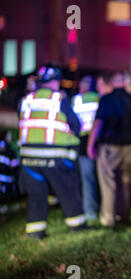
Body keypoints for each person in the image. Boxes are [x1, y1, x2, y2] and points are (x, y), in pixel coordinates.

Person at [17, 63, 88, 240]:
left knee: (36, 196)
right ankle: (77, 226)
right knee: (67, 191)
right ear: (56, 82)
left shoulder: (26, 100)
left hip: (29, 159)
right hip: (54, 157)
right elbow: (76, 126)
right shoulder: (59, 99)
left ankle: (35, 231)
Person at [87, 71, 131, 227]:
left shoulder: (107, 99)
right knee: (125, 182)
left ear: (112, 83)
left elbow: (98, 124)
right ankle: (124, 216)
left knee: (108, 183)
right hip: (129, 147)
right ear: (125, 83)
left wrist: (90, 144)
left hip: (109, 147)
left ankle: (108, 219)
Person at [72, 75, 100, 221]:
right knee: (101, 178)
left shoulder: (75, 100)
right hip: (99, 141)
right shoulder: (98, 97)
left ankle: (90, 212)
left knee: (86, 179)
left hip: (83, 143)